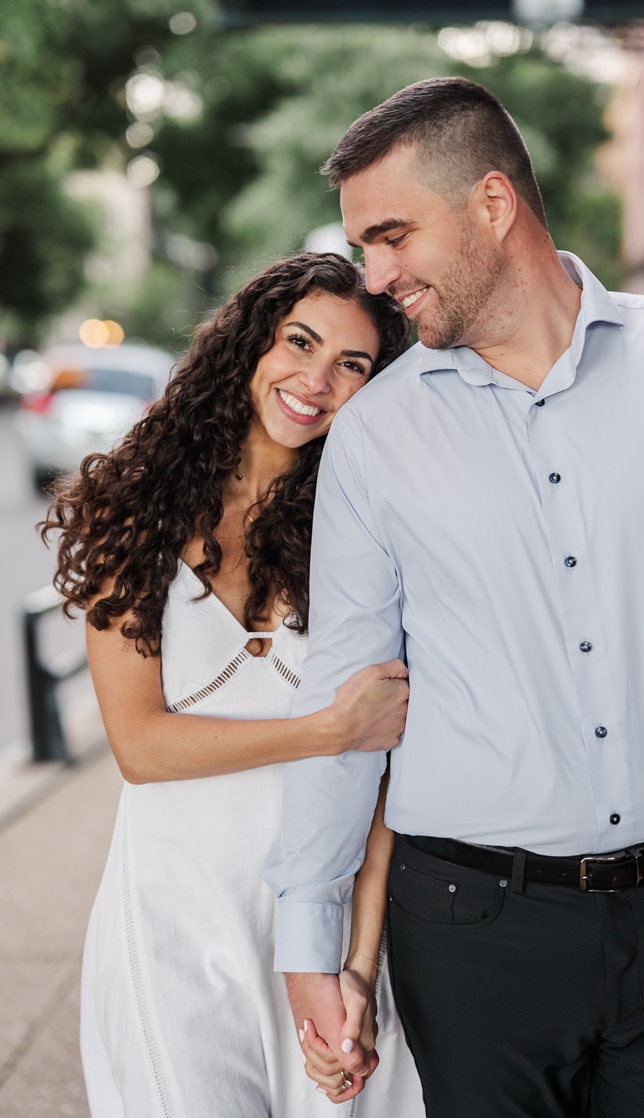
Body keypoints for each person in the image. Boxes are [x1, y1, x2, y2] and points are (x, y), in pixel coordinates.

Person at [262, 77, 644, 1117]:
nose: (376, 276)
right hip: (470, 933)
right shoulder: (377, 436)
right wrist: (311, 934)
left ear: (491, 203)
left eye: (392, 236)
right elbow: (349, 695)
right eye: (363, 247)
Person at [48, 253, 427, 1115]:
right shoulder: (132, 509)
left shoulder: (369, 530)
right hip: (175, 917)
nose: (316, 380)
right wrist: (326, 730)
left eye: (352, 365)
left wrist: (360, 967)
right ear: (251, 344)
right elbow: (140, 747)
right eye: (300, 342)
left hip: (329, 922)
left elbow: (384, 784)